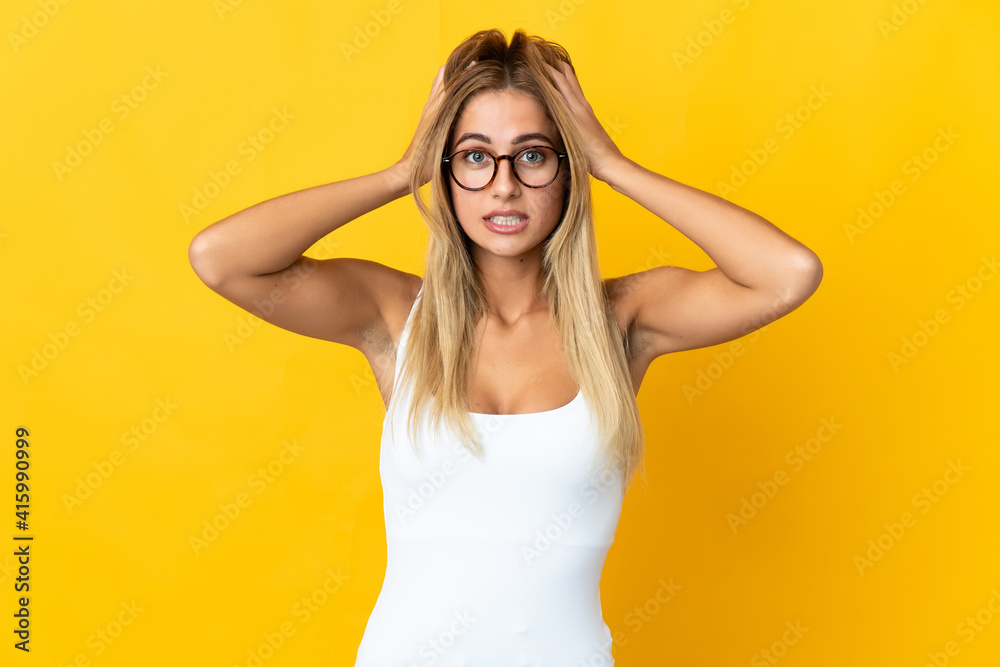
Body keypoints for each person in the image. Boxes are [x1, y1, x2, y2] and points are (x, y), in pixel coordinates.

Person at [188, 27, 822, 667]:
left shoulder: (623, 319)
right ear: (447, 172)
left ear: (567, 170)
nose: (503, 185)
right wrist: (400, 173)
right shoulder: (393, 313)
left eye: (533, 155)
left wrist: (614, 165)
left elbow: (787, 273)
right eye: (473, 156)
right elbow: (221, 260)